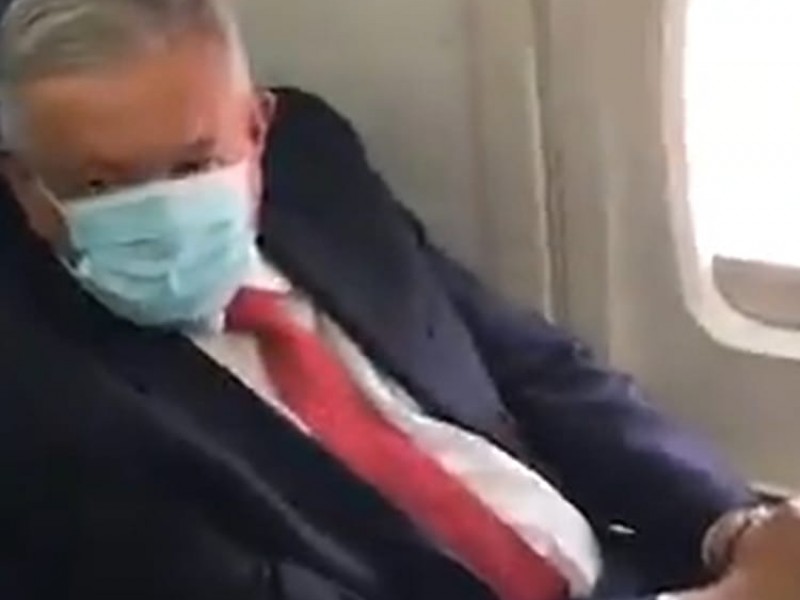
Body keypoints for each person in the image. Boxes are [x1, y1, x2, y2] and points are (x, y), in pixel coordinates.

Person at [0, 1, 796, 599]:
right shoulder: (48, 414)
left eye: (192, 165)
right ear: (26, 188)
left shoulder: (313, 171)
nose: (159, 210)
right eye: (100, 184)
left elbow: (538, 370)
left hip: (626, 569)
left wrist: (736, 530)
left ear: (258, 128)